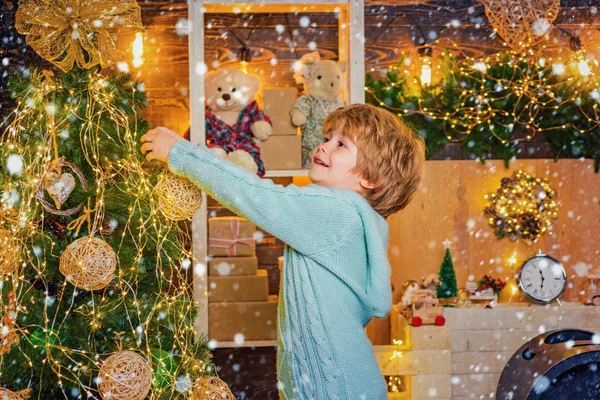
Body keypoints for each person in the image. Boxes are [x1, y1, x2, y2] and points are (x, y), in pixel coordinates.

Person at [140, 103, 425, 399]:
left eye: (341, 144)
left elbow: (259, 197)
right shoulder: (349, 218)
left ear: (371, 179)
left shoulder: (338, 211)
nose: (324, 146)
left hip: (338, 390)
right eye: (328, 137)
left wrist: (181, 153)